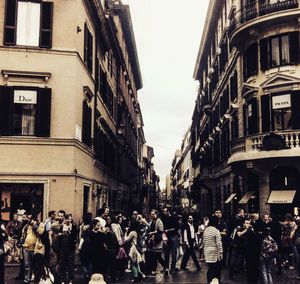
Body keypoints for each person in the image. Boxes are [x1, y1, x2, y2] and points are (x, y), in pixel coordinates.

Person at [57, 214, 77, 284]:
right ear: (65, 219)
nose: (69, 220)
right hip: (63, 247)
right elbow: (59, 236)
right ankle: (63, 279)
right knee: (62, 264)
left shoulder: (73, 226)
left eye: (70, 219)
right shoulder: (62, 226)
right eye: (68, 219)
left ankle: (71, 279)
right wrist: (61, 234)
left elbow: (75, 236)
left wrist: (70, 233)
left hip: (70, 248)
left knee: (71, 265)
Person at [203, 215, 223, 284]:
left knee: (210, 268)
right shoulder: (215, 230)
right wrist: (221, 252)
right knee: (216, 268)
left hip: (207, 251)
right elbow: (218, 242)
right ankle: (214, 281)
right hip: (214, 252)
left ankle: (209, 281)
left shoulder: (206, 230)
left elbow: (204, 242)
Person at [146, 209, 166, 275]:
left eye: (153, 214)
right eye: (151, 214)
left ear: (156, 214)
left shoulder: (159, 221)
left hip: (157, 241)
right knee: (157, 256)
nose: (152, 215)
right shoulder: (152, 221)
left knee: (156, 256)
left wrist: (152, 232)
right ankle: (165, 267)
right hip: (153, 241)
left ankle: (154, 270)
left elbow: (161, 230)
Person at [161, 207, 179, 274]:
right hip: (167, 237)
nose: (164, 212)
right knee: (166, 253)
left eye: (165, 211)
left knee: (174, 254)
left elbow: (176, 228)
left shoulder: (174, 218)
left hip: (173, 237)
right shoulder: (163, 218)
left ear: (168, 211)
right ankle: (166, 268)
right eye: (163, 211)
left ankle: (173, 268)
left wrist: (168, 230)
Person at [0, 214, 8, 284]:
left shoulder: (2, 224)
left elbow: (5, 237)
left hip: (0, 248)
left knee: (1, 266)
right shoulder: (2, 224)